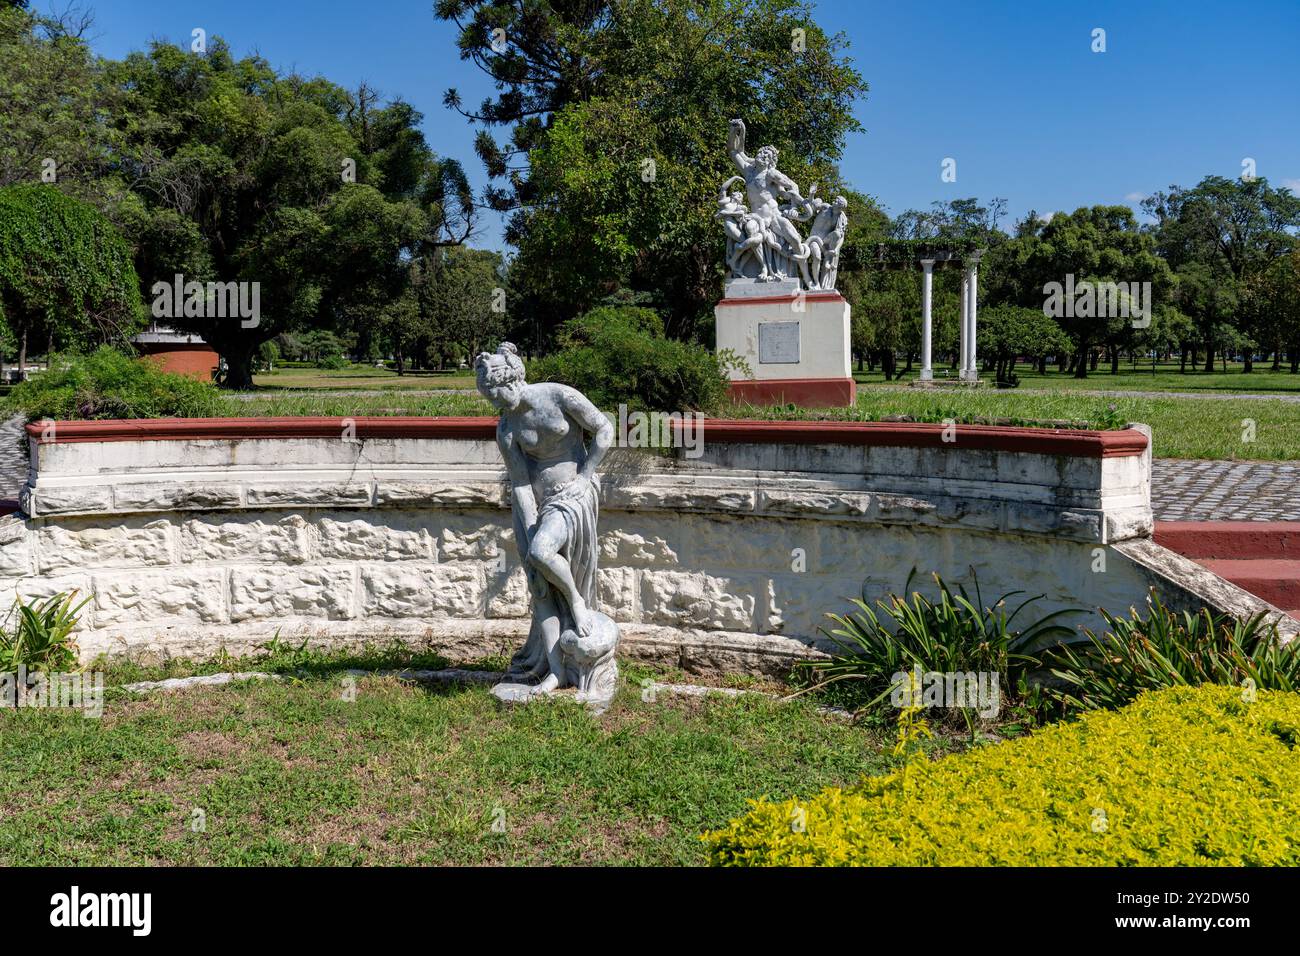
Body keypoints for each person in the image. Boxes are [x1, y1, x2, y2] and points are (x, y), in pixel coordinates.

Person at [474, 343, 614, 694]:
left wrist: (586, 477)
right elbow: (520, 485)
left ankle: (578, 604)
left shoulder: (558, 396)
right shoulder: (507, 430)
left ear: (511, 381)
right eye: (489, 398)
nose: (495, 404)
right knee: (539, 585)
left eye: (496, 394)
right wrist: (529, 522)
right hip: (534, 504)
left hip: (572, 494)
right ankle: (554, 670)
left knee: (541, 553)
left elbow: (604, 429)